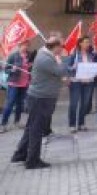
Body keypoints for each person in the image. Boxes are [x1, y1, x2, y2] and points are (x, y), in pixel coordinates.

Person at [11, 33, 68, 169]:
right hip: (41, 98)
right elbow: (61, 71)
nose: (63, 49)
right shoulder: (46, 58)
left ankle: (20, 154)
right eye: (62, 46)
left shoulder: (46, 55)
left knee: (31, 127)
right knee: (37, 129)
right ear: (56, 46)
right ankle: (32, 161)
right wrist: (60, 60)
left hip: (41, 97)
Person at [67, 36, 97, 133]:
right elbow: (67, 67)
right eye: (86, 42)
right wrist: (73, 67)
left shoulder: (91, 55)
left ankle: (81, 123)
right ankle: (72, 125)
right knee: (74, 103)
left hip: (88, 82)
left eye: (88, 42)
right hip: (76, 82)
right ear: (80, 43)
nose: (88, 44)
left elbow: (93, 66)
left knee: (85, 104)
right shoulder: (74, 54)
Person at [1, 41, 32, 133]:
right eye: (24, 45)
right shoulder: (13, 56)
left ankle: (17, 122)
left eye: (27, 45)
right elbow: (6, 69)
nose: (25, 47)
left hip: (25, 83)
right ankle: (3, 124)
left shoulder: (30, 55)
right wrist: (12, 69)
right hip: (14, 83)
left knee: (20, 104)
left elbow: (32, 68)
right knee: (10, 103)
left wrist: (31, 66)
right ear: (19, 45)